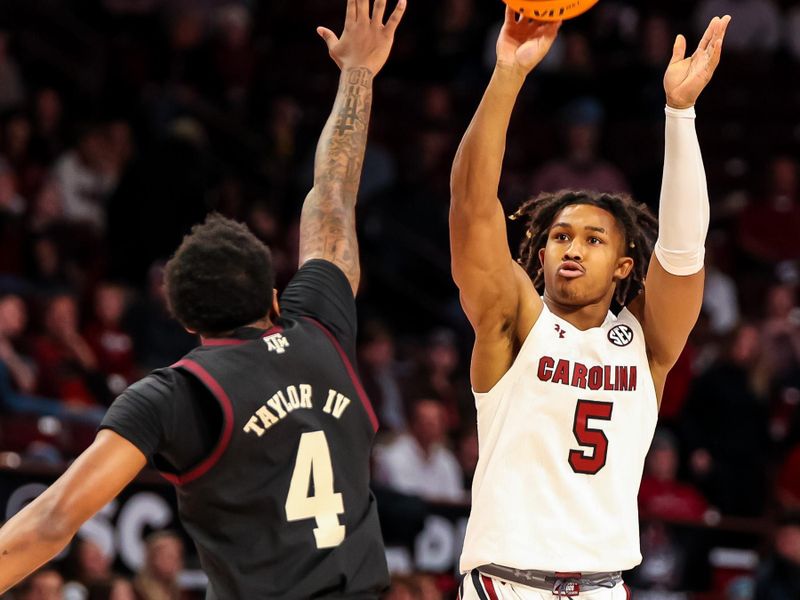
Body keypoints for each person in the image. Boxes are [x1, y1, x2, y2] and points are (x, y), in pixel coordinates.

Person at [0, 0, 406, 597]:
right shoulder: (321, 325)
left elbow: (54, 519)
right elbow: (332, 199)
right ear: (274, 297)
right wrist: (357, 74)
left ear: (187, 322)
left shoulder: (176, 393)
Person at [449, 7, 729, 598]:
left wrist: (680, 114)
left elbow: (683, 251)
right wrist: (507, 73)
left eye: (593, 239)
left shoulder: (647, 345)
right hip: (508, 583)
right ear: (542, 255)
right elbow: (473, 205)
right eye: (560, 236)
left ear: (625, 265)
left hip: (604, 585)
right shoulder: (514, 319)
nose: (572, 248)